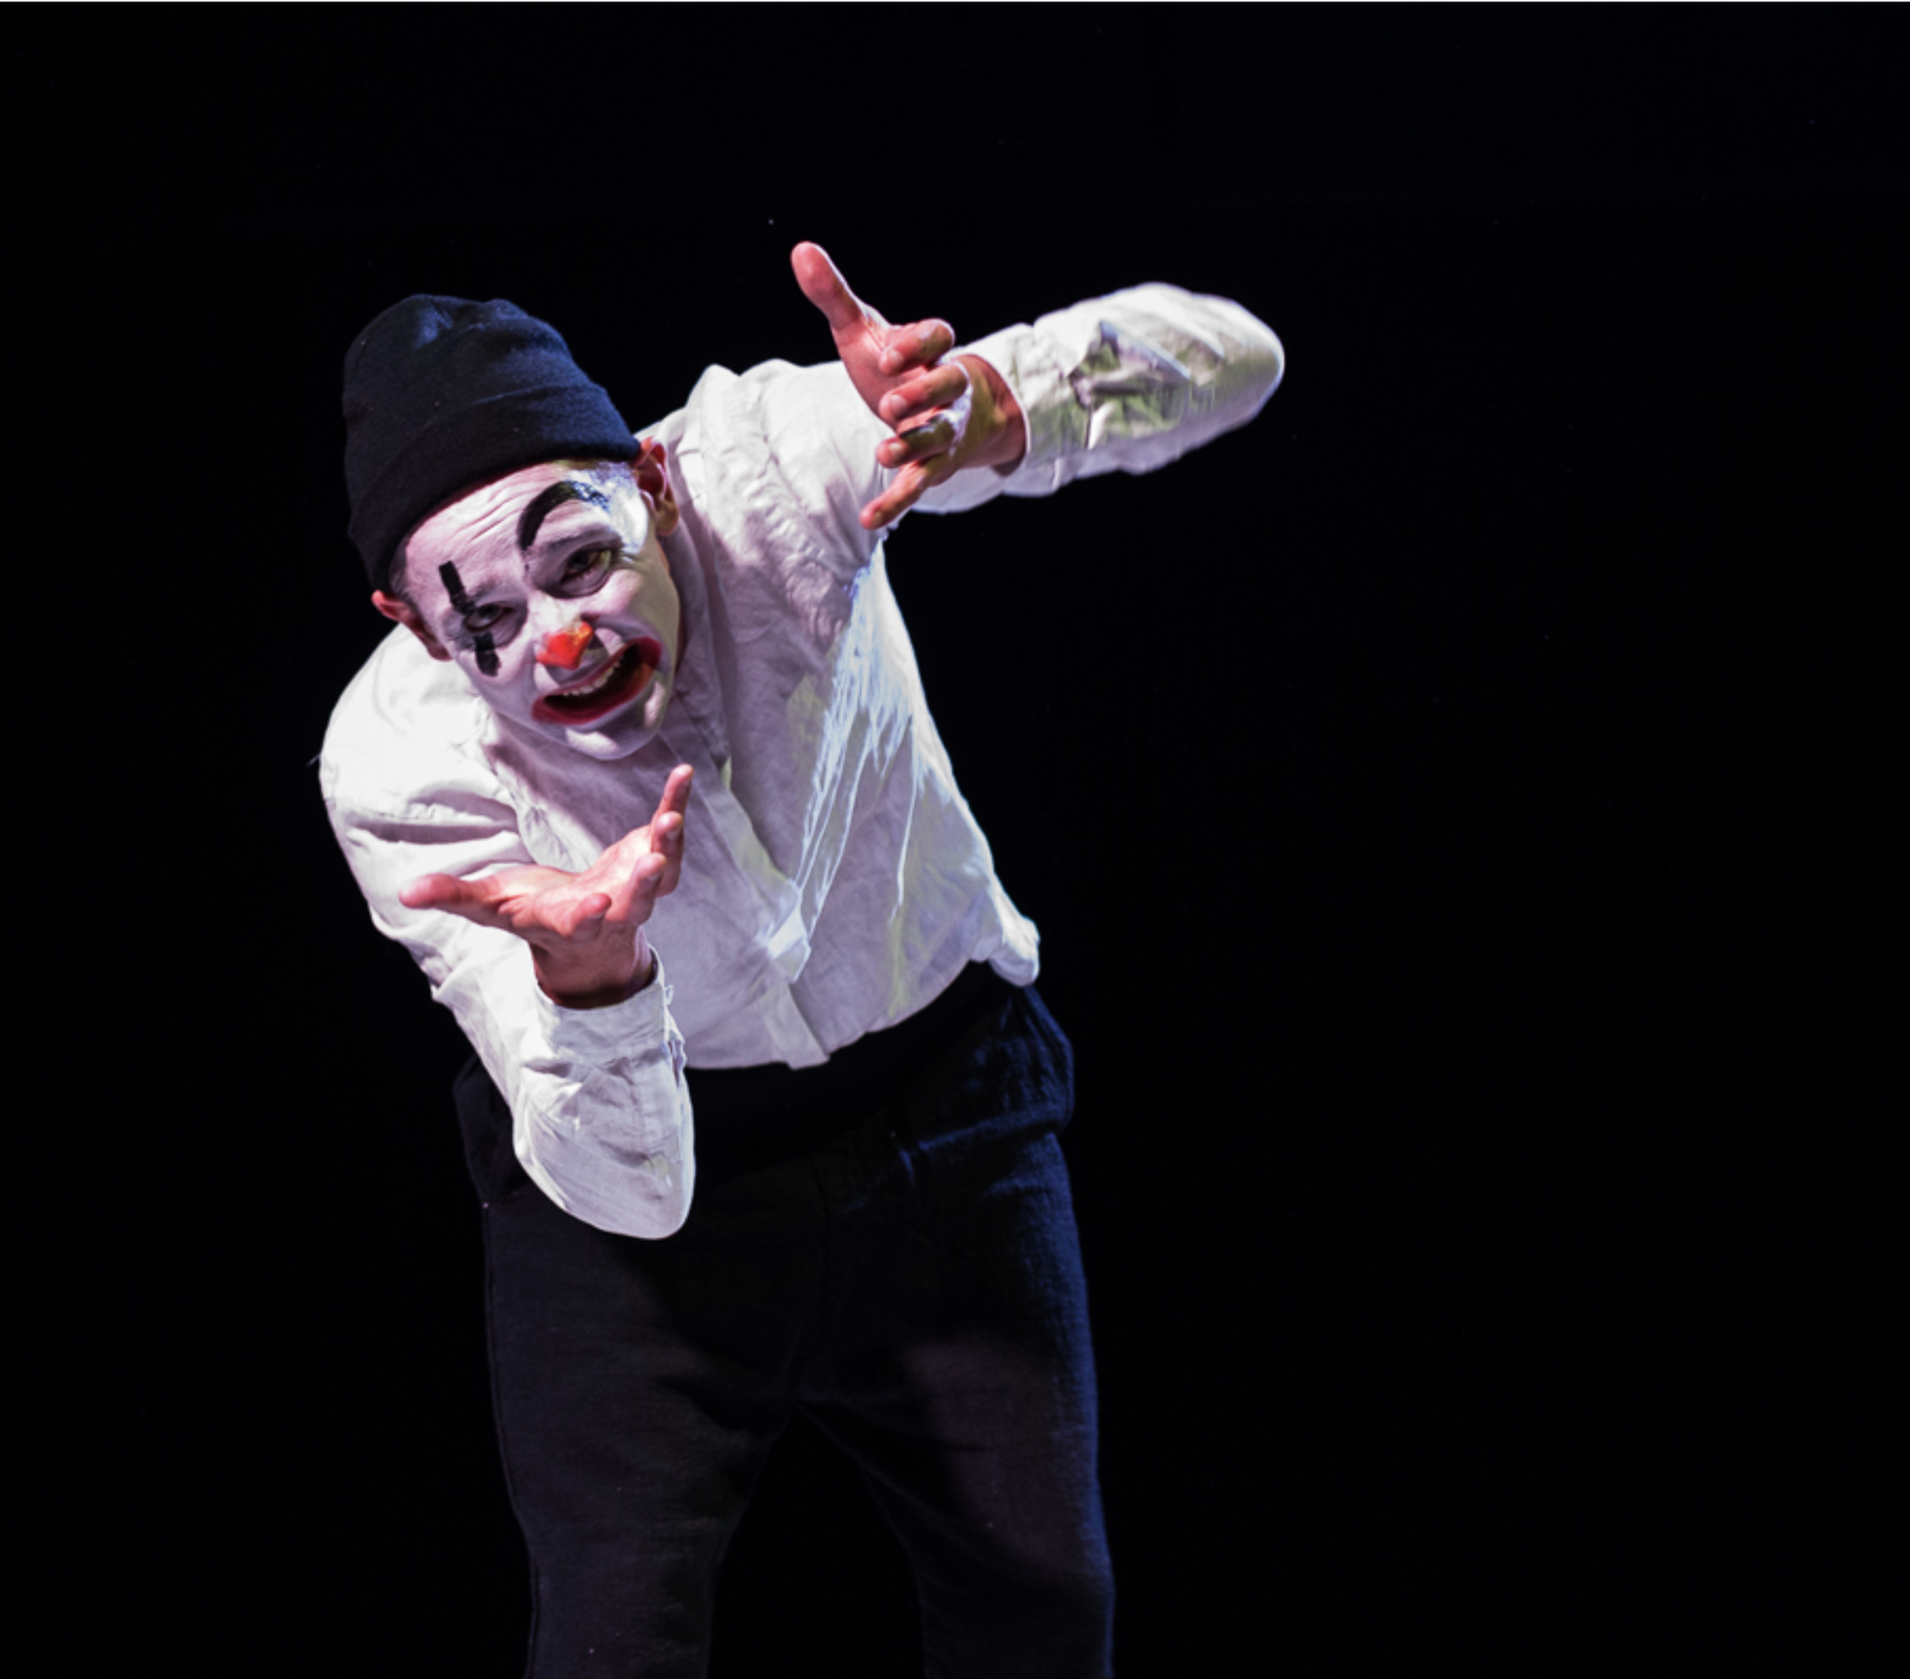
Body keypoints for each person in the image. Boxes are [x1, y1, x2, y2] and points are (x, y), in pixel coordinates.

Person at [318, 244, 1281, 1678]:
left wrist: (1005, 411)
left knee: (1044, 1616)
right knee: (612, 1649)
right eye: (489, 624)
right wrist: (592, 980)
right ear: (408, 624)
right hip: (649, 1208)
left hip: (946, 1119)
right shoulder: (402, 767)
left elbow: (1234, 352)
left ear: (651, 479)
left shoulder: (776, 462)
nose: (563, 641)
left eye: (578, 557)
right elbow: (628, 1193)